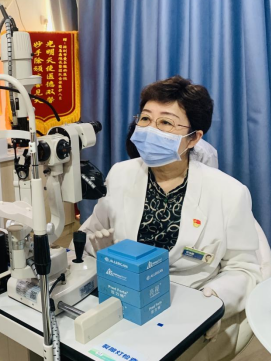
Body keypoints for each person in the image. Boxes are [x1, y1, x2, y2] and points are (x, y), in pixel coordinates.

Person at [80, 76, 261, 361]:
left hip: (188, 305)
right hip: (125, 299)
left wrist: (214, 301)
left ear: (194, 138)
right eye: (145, 119)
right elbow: (94, 235)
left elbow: (245, 268)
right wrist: (98, 253)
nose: (150, 130)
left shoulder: (229, 193)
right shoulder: (120, 174)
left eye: (165, 122)